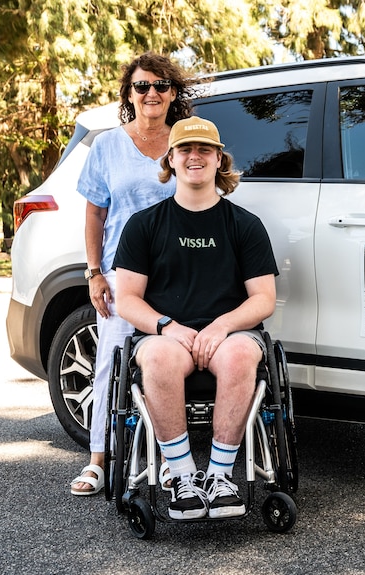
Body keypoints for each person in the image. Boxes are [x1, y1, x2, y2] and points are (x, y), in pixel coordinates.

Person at [113, 116, 278, 520]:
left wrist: (221, 325)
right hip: (169, 337)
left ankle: (220, 478)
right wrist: (167, 326)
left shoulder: (245, 225)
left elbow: (263, 299)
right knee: (158, 357)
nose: (194, 157)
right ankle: (184, 477)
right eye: (185, 149)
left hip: (230, 337)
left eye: (204, 149)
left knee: (242, 354)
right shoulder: (144, 225)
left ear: (219, 159)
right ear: (171, 158)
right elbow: (128, 300)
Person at [70, 52, 194, 496]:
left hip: (177, 275)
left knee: (168, 364)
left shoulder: (185, 143)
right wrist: (94, 272)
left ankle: (166, 458)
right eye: (141, 86)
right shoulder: (107, 146)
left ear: (173, 94)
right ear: (129, 94)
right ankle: (98, 460)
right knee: (111, 364)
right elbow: (94, 214)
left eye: (161, 86)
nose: (151, 94)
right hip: (123, 275)